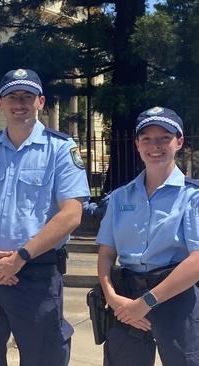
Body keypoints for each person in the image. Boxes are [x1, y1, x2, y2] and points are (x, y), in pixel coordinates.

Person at [0, 68, 89, 365]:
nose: (19, 103)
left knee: (43, 358)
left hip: (36, 274)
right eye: (11, 96)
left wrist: (20, 258)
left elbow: (71, 214)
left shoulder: (60, 149)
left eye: (27, 96)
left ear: (40, 102)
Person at [96, 107, 199, 365]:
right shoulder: (121, 197)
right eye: (147, 139)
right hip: (126, 300)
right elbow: (107, 253)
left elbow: (197, 261)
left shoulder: (192, 197)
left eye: (164, 137)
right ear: (137, 145)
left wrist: (147, 302)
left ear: (179, 142)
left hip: (176, 298)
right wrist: (112, 297)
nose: (155, 145)